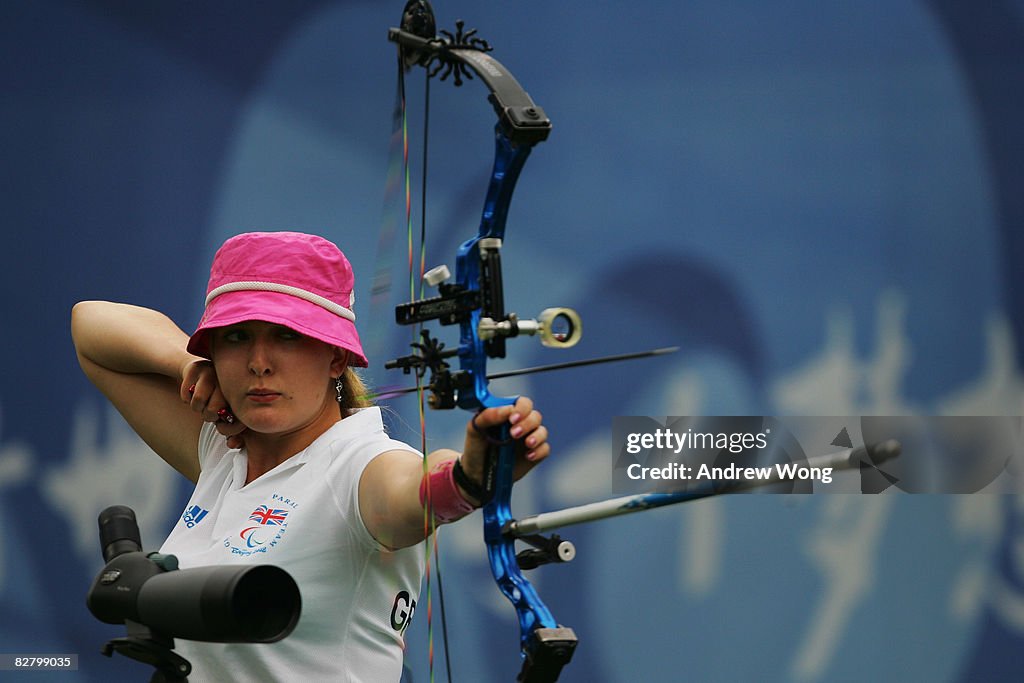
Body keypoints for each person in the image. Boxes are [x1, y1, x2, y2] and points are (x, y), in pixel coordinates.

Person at [71, 231, 549, 682]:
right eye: (236, 336)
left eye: (287, 335)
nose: (259, 361)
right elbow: (90, 326)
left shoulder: (357, 464)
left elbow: (414, 489)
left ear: (336, 358)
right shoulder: (223, 450)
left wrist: (470, 476)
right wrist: (187, 364)